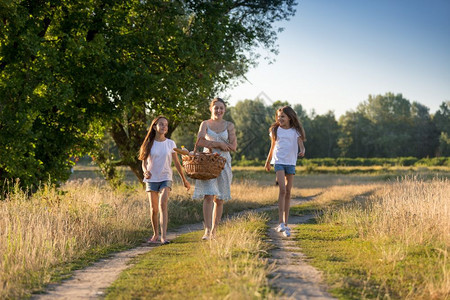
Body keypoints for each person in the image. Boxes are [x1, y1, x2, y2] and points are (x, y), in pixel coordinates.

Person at [138, 116, 190, 245]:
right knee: (153, 209)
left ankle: (164, 237)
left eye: (166, 125)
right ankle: (155, 234)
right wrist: (145, 171)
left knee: (163, 204)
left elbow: (177, 163)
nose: (164, 127)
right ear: (155, 126)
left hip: (166, 177)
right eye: (161, 124)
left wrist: (184, 180)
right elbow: (144, 162)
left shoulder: (170, 144)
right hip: (151, 179)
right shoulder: (148, 143)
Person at [193, 98, 237, 240]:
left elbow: (233, 147)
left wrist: (221, 145)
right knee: (208, 196)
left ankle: (214, 231)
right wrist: (217, 143)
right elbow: (199, 141)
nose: (218, 110)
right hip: (208, 162)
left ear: (224, 110)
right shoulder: (205, 124)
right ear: (211, 109)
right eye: (216, 108)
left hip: (223, 162)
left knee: (219, 199)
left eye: (221, 108)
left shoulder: (229, 125)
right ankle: (206, 230)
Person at [265, 106, 306, 237]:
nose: (279, 118)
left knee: (288, 192)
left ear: (289, 117)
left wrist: (302, 150)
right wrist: (267, 161)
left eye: (282, 116)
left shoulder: (295, 131)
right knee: (282, 189)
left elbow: (301, 144)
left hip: (291, 163)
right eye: (278, 116)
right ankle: (280, 223)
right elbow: (272, 147)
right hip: (279, 162)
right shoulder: (275, 130)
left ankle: (286, 224)